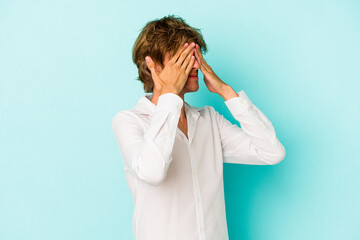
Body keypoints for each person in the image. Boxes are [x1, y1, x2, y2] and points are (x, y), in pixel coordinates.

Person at [112, 15, 286, 240]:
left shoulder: (209, 120)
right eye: (181, 57)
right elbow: (153, 172)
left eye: (195, 55)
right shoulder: (129, 121)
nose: (194, 64)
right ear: (152, 65)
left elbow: (272, 152)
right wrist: (169, 95)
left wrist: (226, 91)